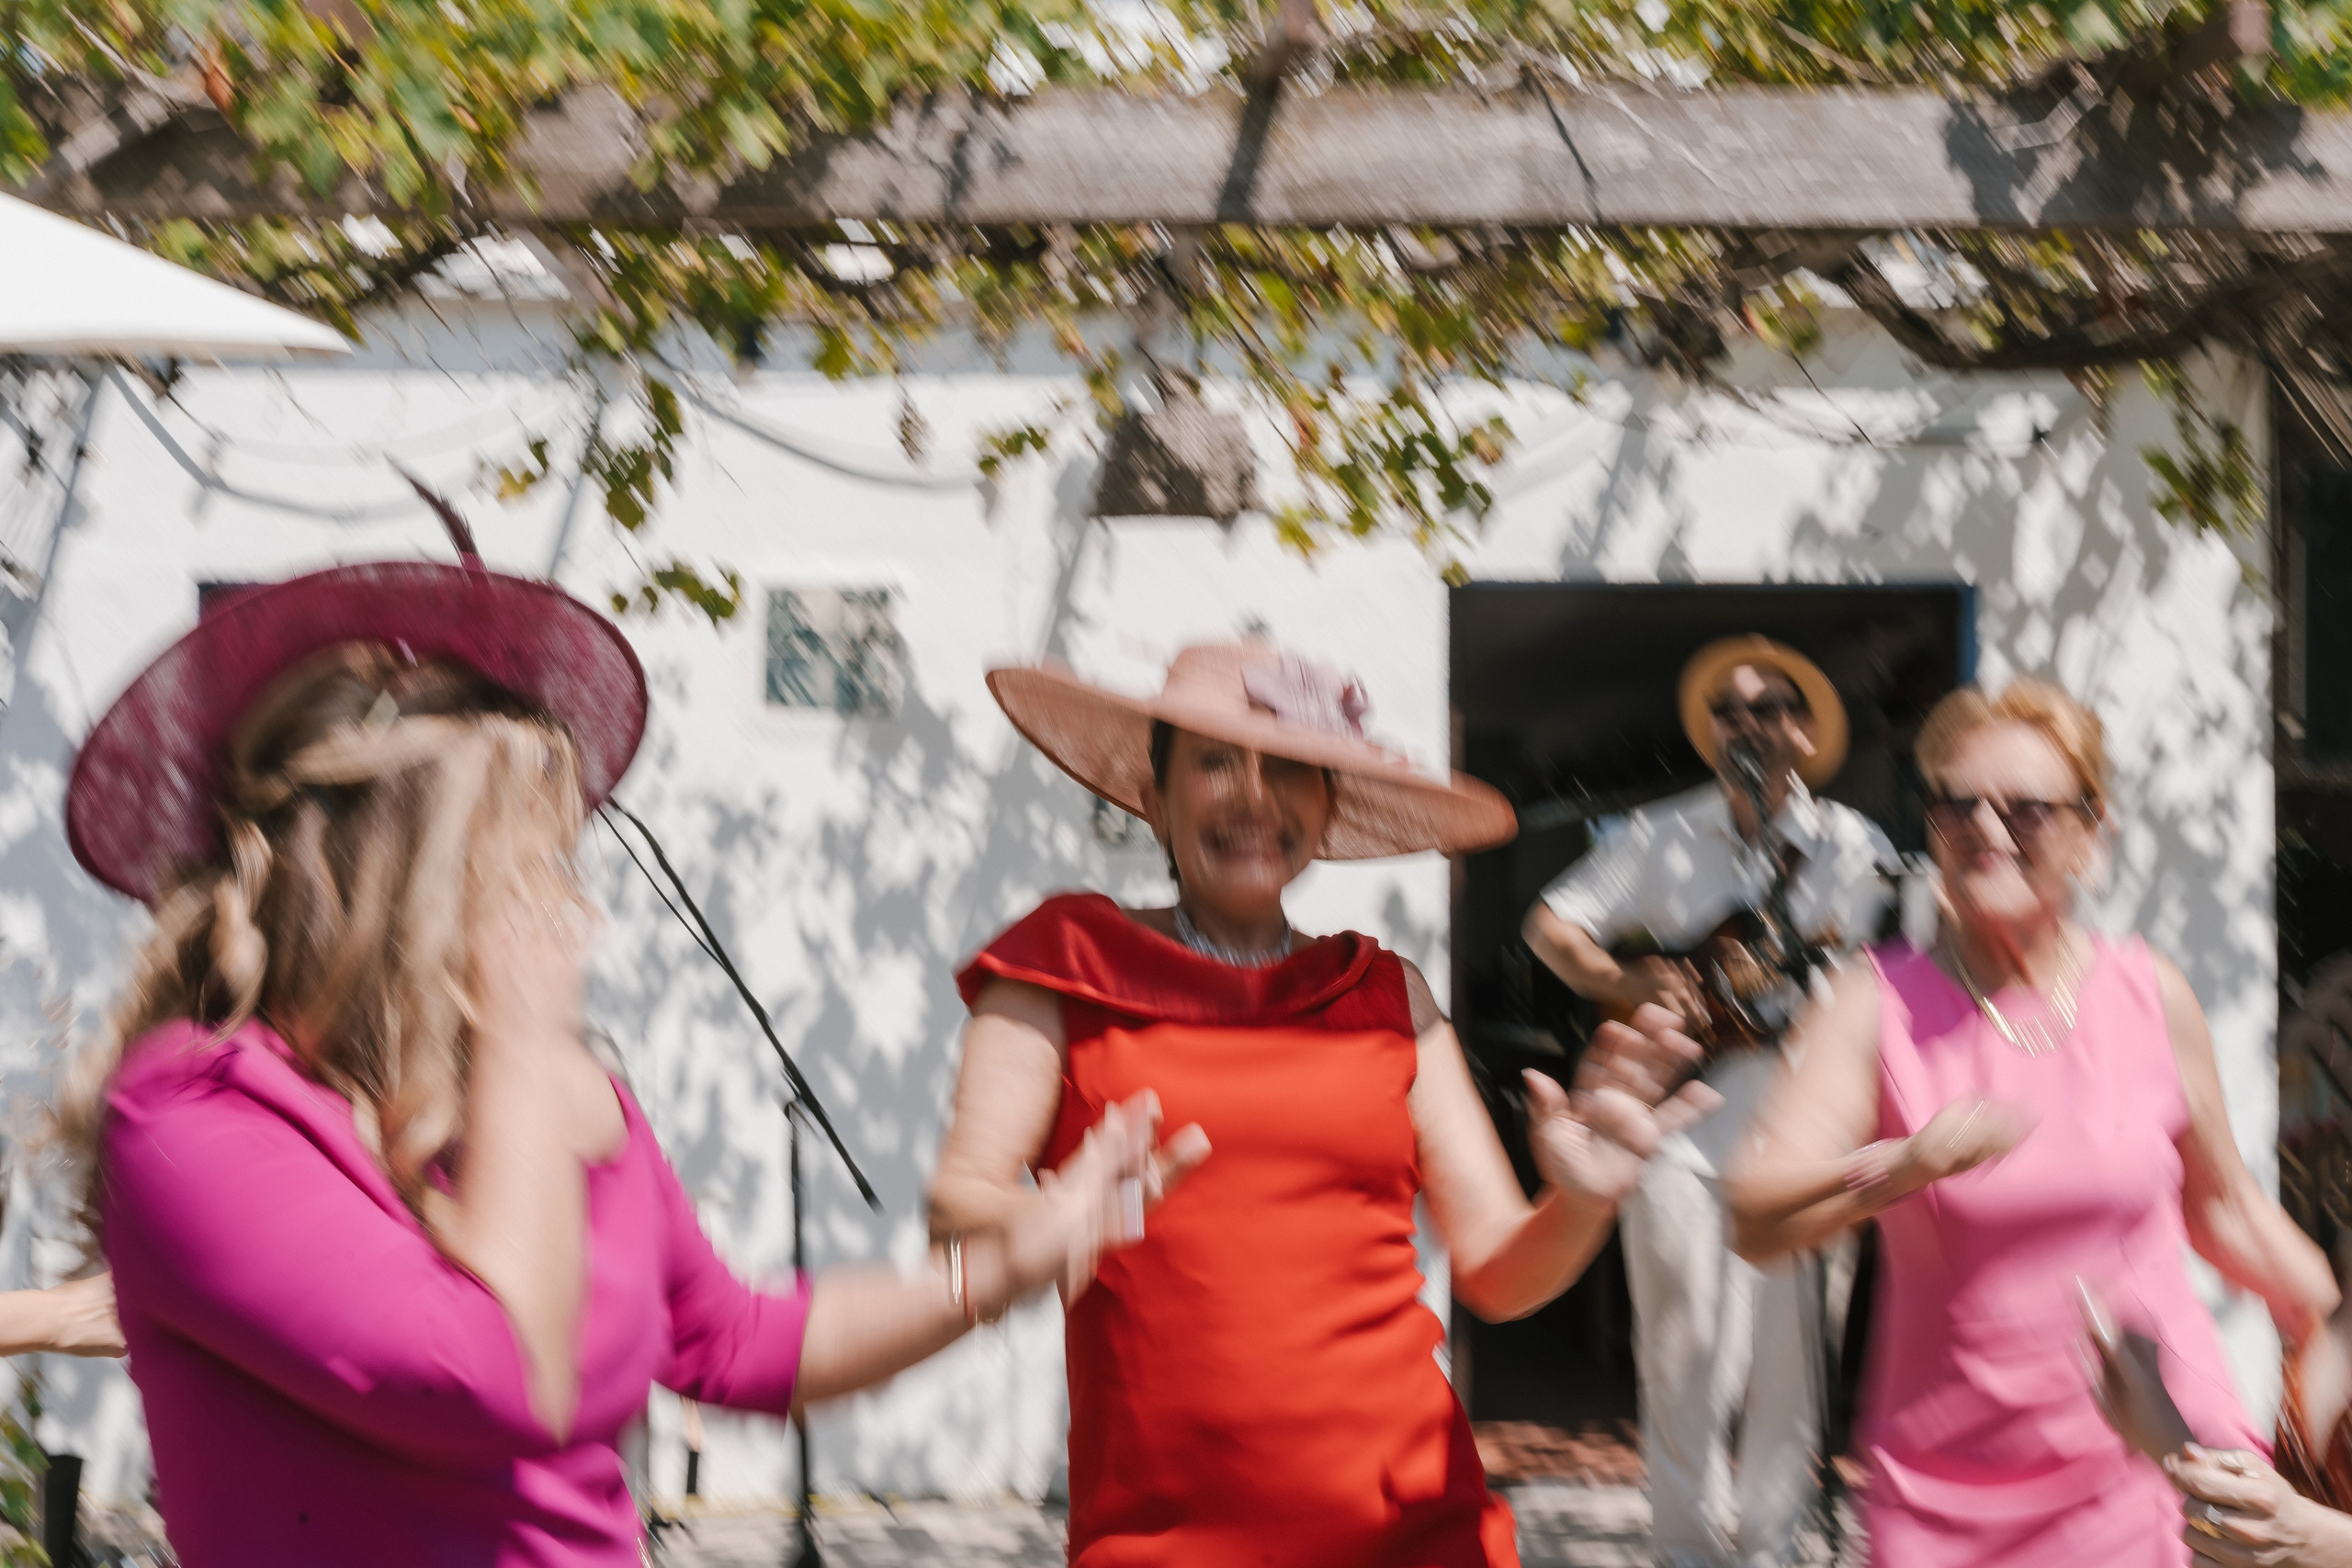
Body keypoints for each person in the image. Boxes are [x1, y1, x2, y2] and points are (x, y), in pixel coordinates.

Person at [55, 560, 1197, 1568]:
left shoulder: (546, 1096)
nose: (569, 906)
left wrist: (997, 1273)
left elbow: (733, 1343)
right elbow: (492, 1376)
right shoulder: (197, 1114)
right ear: (390, 885)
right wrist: (523, 1042)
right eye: (524, 862)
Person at [929, 641, 1715, 1568]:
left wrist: (1584, 1200)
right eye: (1215, 763)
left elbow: (1500, 1272)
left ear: (1327, 806)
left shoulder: (1387, 993)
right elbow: (958, 1211)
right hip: (1165, 1543)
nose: (1253, 797)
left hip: (1416, 1526)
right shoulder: (1063, 965)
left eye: (1290, 768)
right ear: (1154, 799)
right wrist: (1061, 1219)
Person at [1725, 677, 2338, 1566]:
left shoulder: (2147, 991)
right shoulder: (1873, 1003)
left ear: (2092, 833)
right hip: (1947, 1498)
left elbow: (2226, 1211)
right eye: (1955, 804)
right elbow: (1753, 1215)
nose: (1985, 827)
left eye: (2026, 809)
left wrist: (2324, 1321)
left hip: (2147, 1465)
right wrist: (1905, 1166)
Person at [1521, 636, 1896, 1568]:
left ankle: (1770, 1550)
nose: (1748, 724)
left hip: (1809, 1141)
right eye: (1730, 711)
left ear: (1803, 734)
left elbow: (1906, 963)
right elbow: (1547, 926)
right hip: (1683, 1144)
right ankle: (1686, 1552)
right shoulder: (1659, 836)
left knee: (1790, 1371)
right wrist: (1622, 980)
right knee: (1682, 1361)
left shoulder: (1856, 848)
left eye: (1769, 708)